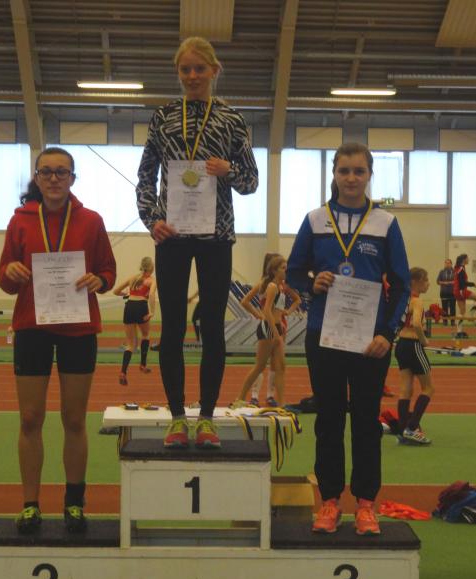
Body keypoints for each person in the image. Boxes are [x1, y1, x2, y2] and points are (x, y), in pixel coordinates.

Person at [136, 36, 258, 449]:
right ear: (178, 73)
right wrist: (151, 219)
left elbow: (251, 181)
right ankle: (176, 416)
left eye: (199, 69)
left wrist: (228, 170)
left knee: (212, 327)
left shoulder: (232, 119)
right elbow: (145, 175)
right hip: (171, 235)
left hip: (216, 236)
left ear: (214, 71)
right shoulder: (163, 117)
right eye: (185, 69)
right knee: (171, 327)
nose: (192, 76)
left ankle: (206, 417)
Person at [287, 142, 411, 536]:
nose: (352, 178)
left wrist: (387, 334)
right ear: (334, 174)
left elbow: (403, 284)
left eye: (359, 171)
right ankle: (329, 501)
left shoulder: (386, 223)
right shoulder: (314, 220)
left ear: (369, 175)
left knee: (366, 423)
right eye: (344, 171)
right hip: (323, 336)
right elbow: (293, 273)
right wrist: (312, 283)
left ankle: (366, 504)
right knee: (328, 420)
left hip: (370, 343)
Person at [0, 147, 116, 534]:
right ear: (36, 178)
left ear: (72, 178)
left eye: (61, 172)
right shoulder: (19, 220)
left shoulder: (91, 220)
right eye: (46, 172)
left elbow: (108, 271)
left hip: (78, 329)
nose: (53, 178)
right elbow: (4, 277)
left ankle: (74, 503)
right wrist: (11, 272)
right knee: (30, 418)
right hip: (32, 326)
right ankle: (30, 504)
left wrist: (100, 280)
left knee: (74, 419)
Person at [234, 253, 300, 408]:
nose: (286, 271)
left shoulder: (281, 286)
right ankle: (240, 398)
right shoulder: (270, 286)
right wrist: (273, 331)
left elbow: (295, 301)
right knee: (260, 366)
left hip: (277, 327)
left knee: (280, 367)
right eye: (283, 268)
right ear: (274, 270)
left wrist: (286, 314)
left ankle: (281, 404)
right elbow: (267, 310)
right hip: (269, 329)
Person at [395, 267, 435, 446]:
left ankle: (402, 429)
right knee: (428, 388)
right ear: (416, 282)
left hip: (401, 345)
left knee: (405, 390)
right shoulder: (417, 301)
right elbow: (417, 323)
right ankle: (411, 429)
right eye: (426, 280)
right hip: (413, 345)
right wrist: (423, 340)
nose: (428, 284)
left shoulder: (404, 299)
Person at [113, 257, 157, 385]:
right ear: (151, 268)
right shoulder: (151, 280)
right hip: (141, 307)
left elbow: (115, 291)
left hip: (129, 307)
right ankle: (143, 364)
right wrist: (152, 312)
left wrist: (126, 295)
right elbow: (152, 294)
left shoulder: (133, 278)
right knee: (145, 335)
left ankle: (123, 372)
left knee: (130, 344)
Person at [452, 253, 476, 334]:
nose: (468, 260)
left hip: (456, 291)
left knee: (462, 312)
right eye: (467, 258)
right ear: (464, 260)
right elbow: (463, 283)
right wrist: (473, 284)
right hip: (461, 291)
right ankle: (471, 314)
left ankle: (459, 331)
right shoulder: (461, 269)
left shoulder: (458, 268)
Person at [436, 258, 455, 325]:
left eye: (448, 263)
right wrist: (444, 283)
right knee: (444, 308)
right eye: (446, 263)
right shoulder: (442, 272)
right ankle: (445, 321)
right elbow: (438, 281)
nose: (447, 264)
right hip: (444, 292)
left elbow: (456, 281)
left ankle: (452, 321)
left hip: (452, 293)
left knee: (452, 308)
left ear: (451, 264)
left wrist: (451, 282)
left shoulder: (454, 272)